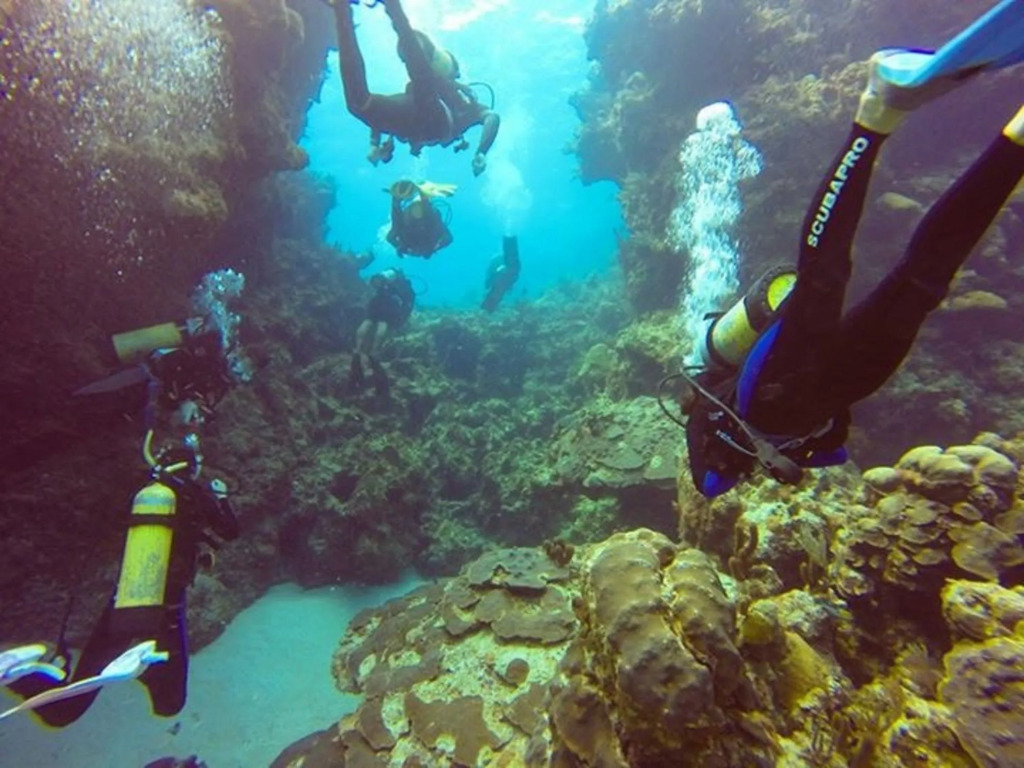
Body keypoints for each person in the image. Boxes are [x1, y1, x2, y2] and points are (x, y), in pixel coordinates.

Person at [682, 37, 1024, 498]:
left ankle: (876, 112)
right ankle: (1014, 142)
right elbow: (837, 452)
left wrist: (737, 446)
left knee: (858, 278)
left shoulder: (711, 418)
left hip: (779, 386)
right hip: (823, 386)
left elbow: (711, 484)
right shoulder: (740, 426)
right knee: (908, 281)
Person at [4, 324, 241, 726]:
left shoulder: (149, 489)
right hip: (165, 610)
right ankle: (145, 666)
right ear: (192, 466)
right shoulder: (195, 492)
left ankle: (21, 673)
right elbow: (230, 531)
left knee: (64, 710)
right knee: (170, 704)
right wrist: (219, 496)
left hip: (126, 598)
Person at [327, 0, 500, 174]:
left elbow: (491, 117)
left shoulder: (464, 102)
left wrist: (375, 145)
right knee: (362, 104)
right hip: (426, 120)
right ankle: (347, 10)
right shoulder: (461, 101)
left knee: (360, 105)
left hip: (416, 119)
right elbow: (491, 117)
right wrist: (481, 152)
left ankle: (344, 11)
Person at [349, 267, 415, 397]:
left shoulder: (383, 280)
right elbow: (407, 304)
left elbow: (371, 288)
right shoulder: (403, 284)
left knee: (368, 321)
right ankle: (375, 352)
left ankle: (357, 351)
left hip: (375, 302)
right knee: (383, 323)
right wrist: (400, 319)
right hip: (389, 305)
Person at [385, 179, 455, 258]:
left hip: (418, 242)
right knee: (427, 210)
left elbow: (390, 236)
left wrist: (401, 247)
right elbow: (448, 238)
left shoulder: (430, 217)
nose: (416, 208)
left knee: (425, 210)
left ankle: (418, 193)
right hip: (419, 241)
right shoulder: (430, 217)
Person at [481, 234, 521, 312]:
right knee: (497, 293)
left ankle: (487, 309)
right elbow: (491, 271)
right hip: (500, 279)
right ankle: (487, 308)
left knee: (497, 293)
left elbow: (514, 274)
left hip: (503, 279)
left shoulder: (511, 263)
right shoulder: (497, 259)